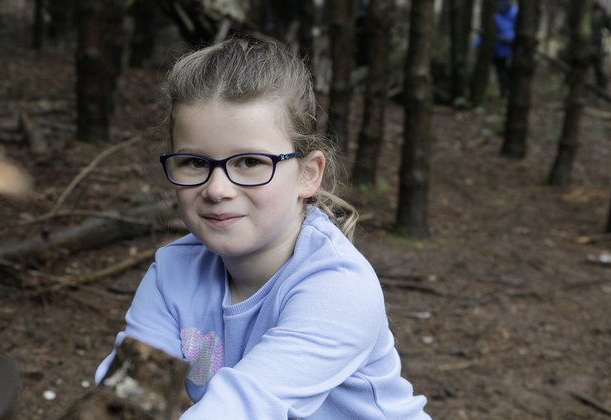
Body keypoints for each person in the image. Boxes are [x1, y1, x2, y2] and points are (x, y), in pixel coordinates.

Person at [94, 37, 430, 419]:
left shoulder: (339, 289)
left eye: (250, 162)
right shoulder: (173, 272)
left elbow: (241, 409)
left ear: (308, 174)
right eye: (193, 162)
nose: (217, 189)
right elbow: (129, 397)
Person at [591, 0, 611, 90]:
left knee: (598, 66)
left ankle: (601, 89)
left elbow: (608, 25)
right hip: (582, 42)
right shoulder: (584, 8)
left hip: (596, 43)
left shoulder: (602, 9)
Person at [492, 0, 519, 97]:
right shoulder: (494, 13)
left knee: (510, 71)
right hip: (498, 49)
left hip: (512, 48)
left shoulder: (516, 12)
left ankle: (509, 91)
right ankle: (503, 92)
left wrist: (513, 40)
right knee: (501, 71)